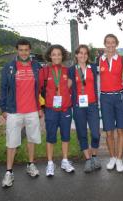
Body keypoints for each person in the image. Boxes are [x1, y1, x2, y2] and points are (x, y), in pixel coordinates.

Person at [0, 39, 42, 187]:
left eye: (26, 50)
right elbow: (3, 88)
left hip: (32, 111)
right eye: (21, 49)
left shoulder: (36, 66)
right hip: (13, 111)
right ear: (17, 50)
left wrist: (40, 106)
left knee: (31, 139)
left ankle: (30, 164)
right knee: (12, 142)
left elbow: (39, 89)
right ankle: (9, 172)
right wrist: (3, 108)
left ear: (30, 51)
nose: (24, 52)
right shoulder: (9, 67)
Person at [39, 44, 75, 176]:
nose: (56, 57)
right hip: (51, 109)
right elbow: (38, 90)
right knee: (51, 137)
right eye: (54, 54)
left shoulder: (67, 70)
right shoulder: (44, 71)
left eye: (59, 54)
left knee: (66, 136)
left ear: (63, 55)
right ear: (50, 56)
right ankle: (50, 163)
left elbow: (70, 87)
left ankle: (65, 160)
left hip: (65, 109)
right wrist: (40, 107)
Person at [69, 45, 101, 173]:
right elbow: (67, 85)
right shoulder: (71, 70)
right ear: (76, 55)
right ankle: (88, 160)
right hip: (78, 106)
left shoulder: (93, 67)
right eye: (80, 53)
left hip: (92, 105)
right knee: (82, 133)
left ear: (88, 55)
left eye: (85, 53)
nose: (83, 55)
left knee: (95, 134)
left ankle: (94, 156)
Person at [99, 34, 123, 172]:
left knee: (121, 130)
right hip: (105, 99)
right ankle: (112, 157)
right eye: (108, 43)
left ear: (116, 44)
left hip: (119, 97)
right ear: (105, 44)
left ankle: (120, 159)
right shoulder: (100, 59)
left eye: (113, 42)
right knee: (109, 131)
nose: (110, 45)